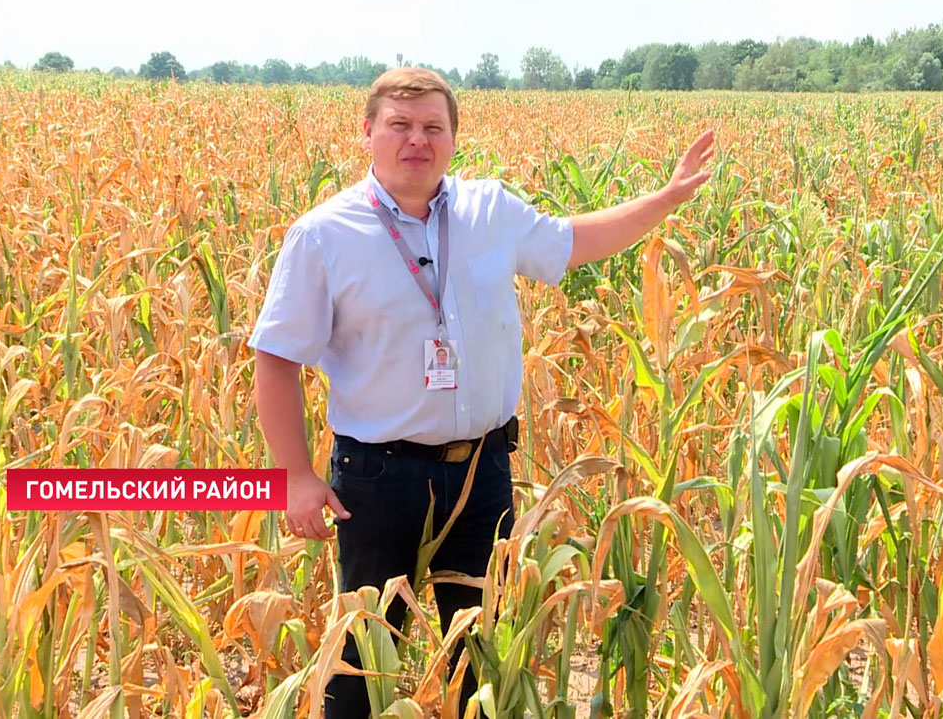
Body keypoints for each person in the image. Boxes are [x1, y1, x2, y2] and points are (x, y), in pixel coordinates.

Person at [248, 66, 713, 717]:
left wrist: (663, 199)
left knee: (485, 656)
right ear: (368, 132)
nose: (417, 139)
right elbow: (276, 360)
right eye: (401, 125)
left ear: (453, 137)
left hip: (482, 471)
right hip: (376, 479)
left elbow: (574, 241)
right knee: (361, 660)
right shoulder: (325, 235)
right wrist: (295, 475)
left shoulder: (489, 210)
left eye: (433, 126)